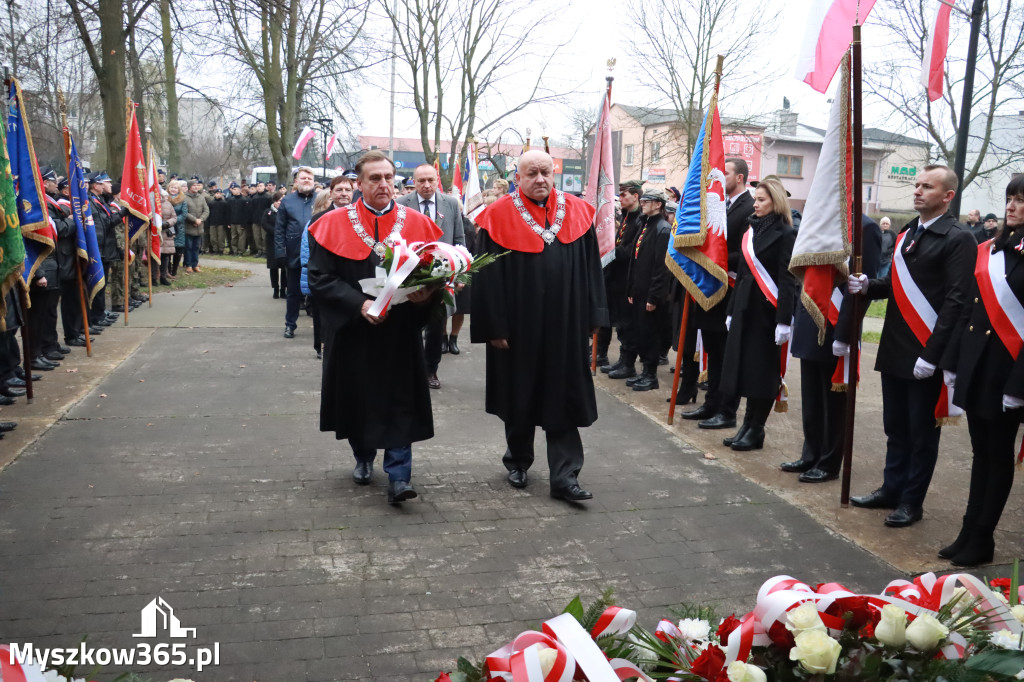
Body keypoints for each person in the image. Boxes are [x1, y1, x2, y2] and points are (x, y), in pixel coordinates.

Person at [470, 150, 609, 502]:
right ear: (518, 178)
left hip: (566, 323)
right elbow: (486, 277)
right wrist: (495, 326)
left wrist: (594, 315)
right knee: (520, 395)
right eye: (532, 173)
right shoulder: (497, 216)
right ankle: (518, 460)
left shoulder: (577, 212)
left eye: (546, 172)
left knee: (564, 396)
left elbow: (592, 269)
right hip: (517, 327)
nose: (540, 180)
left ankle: (565, 476)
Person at [306, 150, 443, 504]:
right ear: (359, 183)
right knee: (359, 397)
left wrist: (426, 293)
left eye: (389, 178)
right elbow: (320, 280)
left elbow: (438, 277)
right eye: (375, 179)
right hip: (354, 332)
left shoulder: (419, 223)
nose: (384, 185)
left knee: (401, 400)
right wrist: (359, 304)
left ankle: (399, 475)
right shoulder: (331, 223)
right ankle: (363, 457)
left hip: (400, 334)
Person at [848, 165, 976, 527]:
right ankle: (890, 488)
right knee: (895, 427)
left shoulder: (957, 238)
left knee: (921, 433)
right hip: (896, 346)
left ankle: (911, 501)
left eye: (927, 187)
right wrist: (869, 286)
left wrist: (933, 356)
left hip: (925, 350)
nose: (918, 191)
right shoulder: (908, 232)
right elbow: (894, 283)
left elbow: (957, 301)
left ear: (948, 196)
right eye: (917, 185)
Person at [938, 177, 1024, 566]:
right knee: (980, 451)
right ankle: (969, 530)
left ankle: (983, 536)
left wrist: (1020, 384)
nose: (1012, 207)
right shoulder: (992, 249)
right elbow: (972, 309)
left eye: (1022, 201)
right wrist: (954, 362)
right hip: (980, 363)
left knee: (998, 453)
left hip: (1010, 370)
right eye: (1010, 199)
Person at [783, 214, 882, 482]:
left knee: (833, 400)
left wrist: (846, 333)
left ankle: (829, 462)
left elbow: (863, 284)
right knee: (811, 396)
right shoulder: (819, 217)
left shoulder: (866, 227)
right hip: (811, 316)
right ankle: (810, 454)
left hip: (839, 323)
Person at [719, 176, 798, 452]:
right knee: (745, 371)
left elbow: (788, 279)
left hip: (767, 313)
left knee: (761, 373)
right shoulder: (751, 231)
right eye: (756, 199)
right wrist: (731, 310)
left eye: (762, 199)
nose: (756, 204)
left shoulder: (787, 233)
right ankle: (747, 425)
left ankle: (757, 429)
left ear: (776, 201)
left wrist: (784, 320)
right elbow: (741, 275)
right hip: (744, 309)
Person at [683, 158, 756, 428]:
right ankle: (711, 403)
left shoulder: (750, 207)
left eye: (725, 173)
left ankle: (727, 411)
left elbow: (747, 252)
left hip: (733, 288)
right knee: (713, 351)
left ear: (739, 178)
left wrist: (716, 258)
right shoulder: (719, 205)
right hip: (712, 287)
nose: (719, 177)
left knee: (728, 354)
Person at [397, 163, 466, 390]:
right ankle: (409, 369)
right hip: (412, 275)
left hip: (442, 276)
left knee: (436, 326)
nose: (426, 185)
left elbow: (459, 240)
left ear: (437, 181)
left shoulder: (451, 204)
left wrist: (461, 275)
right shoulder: (401, 205)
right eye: (421, 181)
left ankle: (430, 370)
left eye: (431, 180)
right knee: (410, 325)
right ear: (413, 182)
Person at [619, 189, 672, 391]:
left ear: (658, 204)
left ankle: (650, 376)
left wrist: (654, 296)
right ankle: (643, 373)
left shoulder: (663, 229)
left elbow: (661, 267)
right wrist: (632, 289)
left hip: (651, 294)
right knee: (641, 333)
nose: (642, 203)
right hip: (639, 290)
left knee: (650, 335)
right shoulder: (644, 224)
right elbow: (635, 260)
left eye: (647, 201)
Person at [597, 180, 643, 373]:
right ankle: (617, 359)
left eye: (624, 195)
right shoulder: (625, 216)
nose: (621, 198)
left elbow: (629, 251)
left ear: (636, 196)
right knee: (615, 320)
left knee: (627, 324)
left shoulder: (639, 220)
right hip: (614, 277)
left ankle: (628, 363)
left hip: (627, 278)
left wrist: (609, 250)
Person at [276, 167, 316, 338]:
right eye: (303, 178)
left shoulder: (320, 199)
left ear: (314, 182)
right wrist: (280, 252)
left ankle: (321, 326)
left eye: (309, 178)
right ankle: (290, 325)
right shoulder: (288, 201)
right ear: (296, 182)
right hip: (294, 253)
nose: (306, 181)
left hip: (317, 253)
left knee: (319, 291)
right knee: (293, 292)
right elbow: (279, 229)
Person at [301, 190, 333, 358]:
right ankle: (319, 345)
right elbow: (306, 252)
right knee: (319, 314)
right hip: (317, 274)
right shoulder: (314, 222)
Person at [262, 189, 287, 298]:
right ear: (274, 201)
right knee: (273, 267)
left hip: (283, 242)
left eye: (281, 200)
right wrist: (276, 232)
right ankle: (275, 289)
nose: (279, 203)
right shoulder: (268, 212)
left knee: (284, 268)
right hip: (272, 241)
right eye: (277, 200)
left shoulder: (286, 212)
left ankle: (283, 289)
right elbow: (264, 224)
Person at [183, 178, 209, 274]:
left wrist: (201, 219)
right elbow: (184, 212)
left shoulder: (201, 197)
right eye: (194, 185)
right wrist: (194, 220)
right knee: (188, 247)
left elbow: (206, 210)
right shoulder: (184, 197)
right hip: (189, 227)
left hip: (199, 227)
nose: (196, 187)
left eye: (197, 185)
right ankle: (188, 265)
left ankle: (195, 264)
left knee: (196, 247)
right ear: (189, 187)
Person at [167, 180, 189, 276]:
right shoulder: (164, 198)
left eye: (175, 188)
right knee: (167, 250)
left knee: (178, 250)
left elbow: (184, 214)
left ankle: (174, 270)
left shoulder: (183, 199)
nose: (173, 189)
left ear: (178, 189)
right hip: (167, 226)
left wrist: (175, 220)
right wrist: (168, 222)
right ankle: (167, 269)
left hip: (179, 226)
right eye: (172, 187)